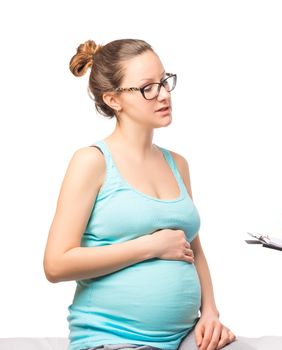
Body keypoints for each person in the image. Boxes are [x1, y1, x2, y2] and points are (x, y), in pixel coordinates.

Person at [44, 39, 236, 350]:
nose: (164, 94)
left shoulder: (178, 164)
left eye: (164, 81)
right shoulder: (92, 162)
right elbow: (56, 264)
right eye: (148, 87)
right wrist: (149, 246)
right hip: (112, 339)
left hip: (185, 337)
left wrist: (210, 313)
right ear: (114, 100)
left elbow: (193, 248)